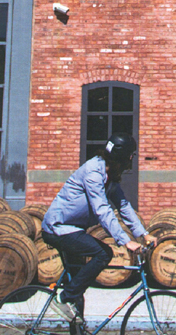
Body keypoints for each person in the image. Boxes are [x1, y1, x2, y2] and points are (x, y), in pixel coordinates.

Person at [41, 134, 157, 320]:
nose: (131, 160)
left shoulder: (109, 175)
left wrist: (144, 234)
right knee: (103, 253)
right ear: (122, 157)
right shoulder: (94, 173)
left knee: (78, 290)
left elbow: (123, 205)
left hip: (72, 229)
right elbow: (102, 209)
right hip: (58, 228)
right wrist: (125, 241)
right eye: (131, 156)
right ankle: (63, 298)